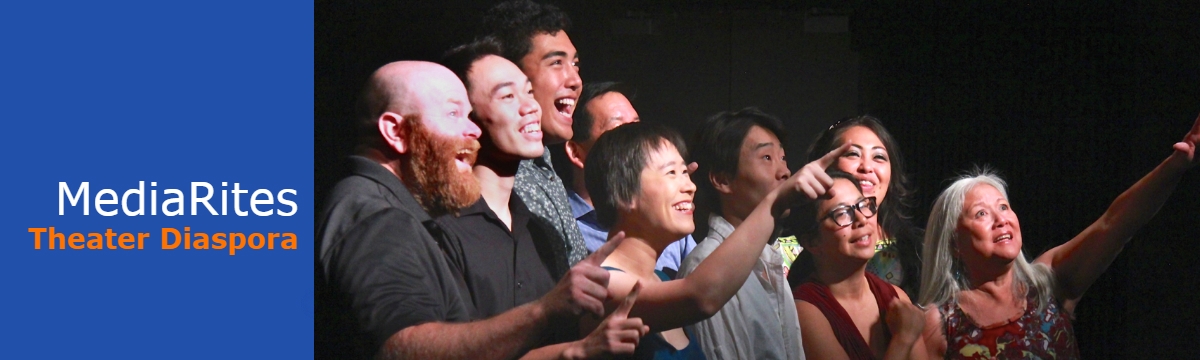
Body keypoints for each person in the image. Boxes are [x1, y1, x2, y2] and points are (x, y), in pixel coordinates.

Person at [316, 60, 643, 360]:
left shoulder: (384, 210)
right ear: (396, 132)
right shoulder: (376, 217)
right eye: (453, 114)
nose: (472, 131)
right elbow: (402, 347)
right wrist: (542, 311)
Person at [917, 114, 1200, 359]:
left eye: (1004, 207)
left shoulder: (1048, 284)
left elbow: (1115, 224)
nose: (1001, 218)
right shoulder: (940, 324)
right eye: (981, 213)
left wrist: (1174, 167)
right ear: (954, 243)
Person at [582, 122, 844, 359]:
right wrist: (776, 201)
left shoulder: (662, 280)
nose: (689, 186)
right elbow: (701, 297)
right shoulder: (599, 285)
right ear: (623, 193)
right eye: (672, 173)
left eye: (686, 173)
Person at [677, 107, 805, 359]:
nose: (785, 172)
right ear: (722, 180)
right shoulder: (705, 266)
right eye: (767, 158)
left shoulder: (769, 259)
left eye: (783, 158)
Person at [484, 0, 588, 276]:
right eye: (556, 63)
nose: (576, 79)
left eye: (575, 64)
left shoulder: (543, 166)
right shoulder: (500, 178)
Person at [555, 81, 696, 278]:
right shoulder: (560, 225)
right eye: (619, 129)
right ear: (576, 152)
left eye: (636, 125)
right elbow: (700, 293)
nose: (635, 137)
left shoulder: (668, 216)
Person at [787, 170, 926, 360]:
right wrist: (903, 339)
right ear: (812, 242)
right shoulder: (805, 312)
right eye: (842, 213)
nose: (861, 219)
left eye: (863, 205)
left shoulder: (895, 297)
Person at [805, 116, 923, 297]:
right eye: (853, 154)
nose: (867, 167)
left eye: (879, 157)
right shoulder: (789, 251)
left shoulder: (916, 250)